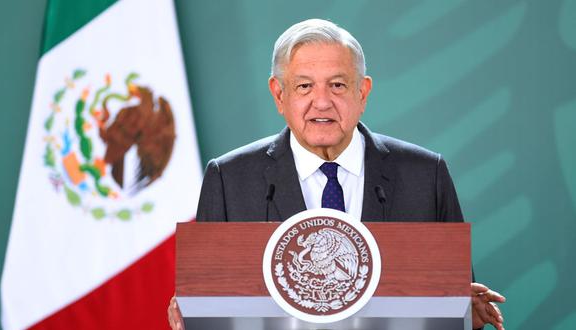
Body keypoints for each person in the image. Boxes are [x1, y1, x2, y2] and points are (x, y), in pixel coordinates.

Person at [168, 19, 506, 330]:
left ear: (363, 92)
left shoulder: (425, 175)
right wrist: (198, 318)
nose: (322, 102)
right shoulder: (229, 181)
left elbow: (454, 309)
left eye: (338, 85)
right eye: (304, 87)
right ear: (279, 94)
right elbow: (213, 313)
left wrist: (465, 317)